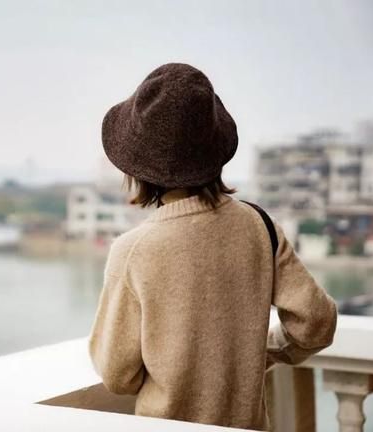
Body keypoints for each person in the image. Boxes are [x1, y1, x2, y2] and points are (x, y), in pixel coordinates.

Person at [88, 63, 337, 431]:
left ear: (138, 167)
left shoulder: (134, 250)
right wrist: (257, 354)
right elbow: (317, 323)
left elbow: (116, 375)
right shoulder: (260, 226)